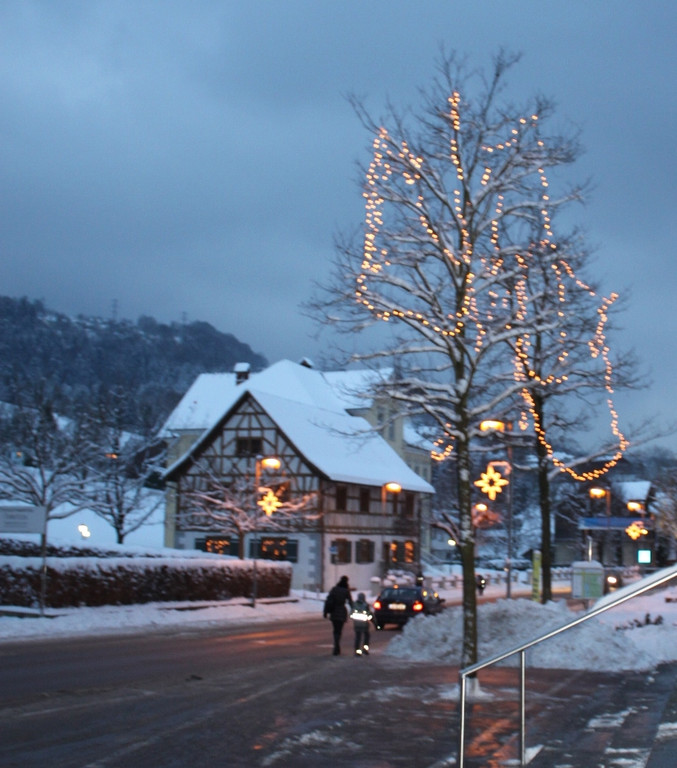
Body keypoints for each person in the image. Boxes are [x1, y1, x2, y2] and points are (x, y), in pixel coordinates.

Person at [323, 575, 353, 655]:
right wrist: (354, 610)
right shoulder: (346, 591)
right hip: (342, 612)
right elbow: (350, 602)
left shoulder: (334, 589)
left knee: (335, 630)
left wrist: (325, 612)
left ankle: (336, 645)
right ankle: (337, 645)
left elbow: (328, 600)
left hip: (334, 611)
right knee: (339, 630)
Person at [350, 592, 372, 656]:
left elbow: (351, 614)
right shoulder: (366, 605)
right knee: (366, 637)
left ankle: (357, 651)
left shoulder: (355, 605)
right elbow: (370, 614)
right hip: (365, 624)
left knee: (358, 637)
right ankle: (365, 650)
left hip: (357, 624)